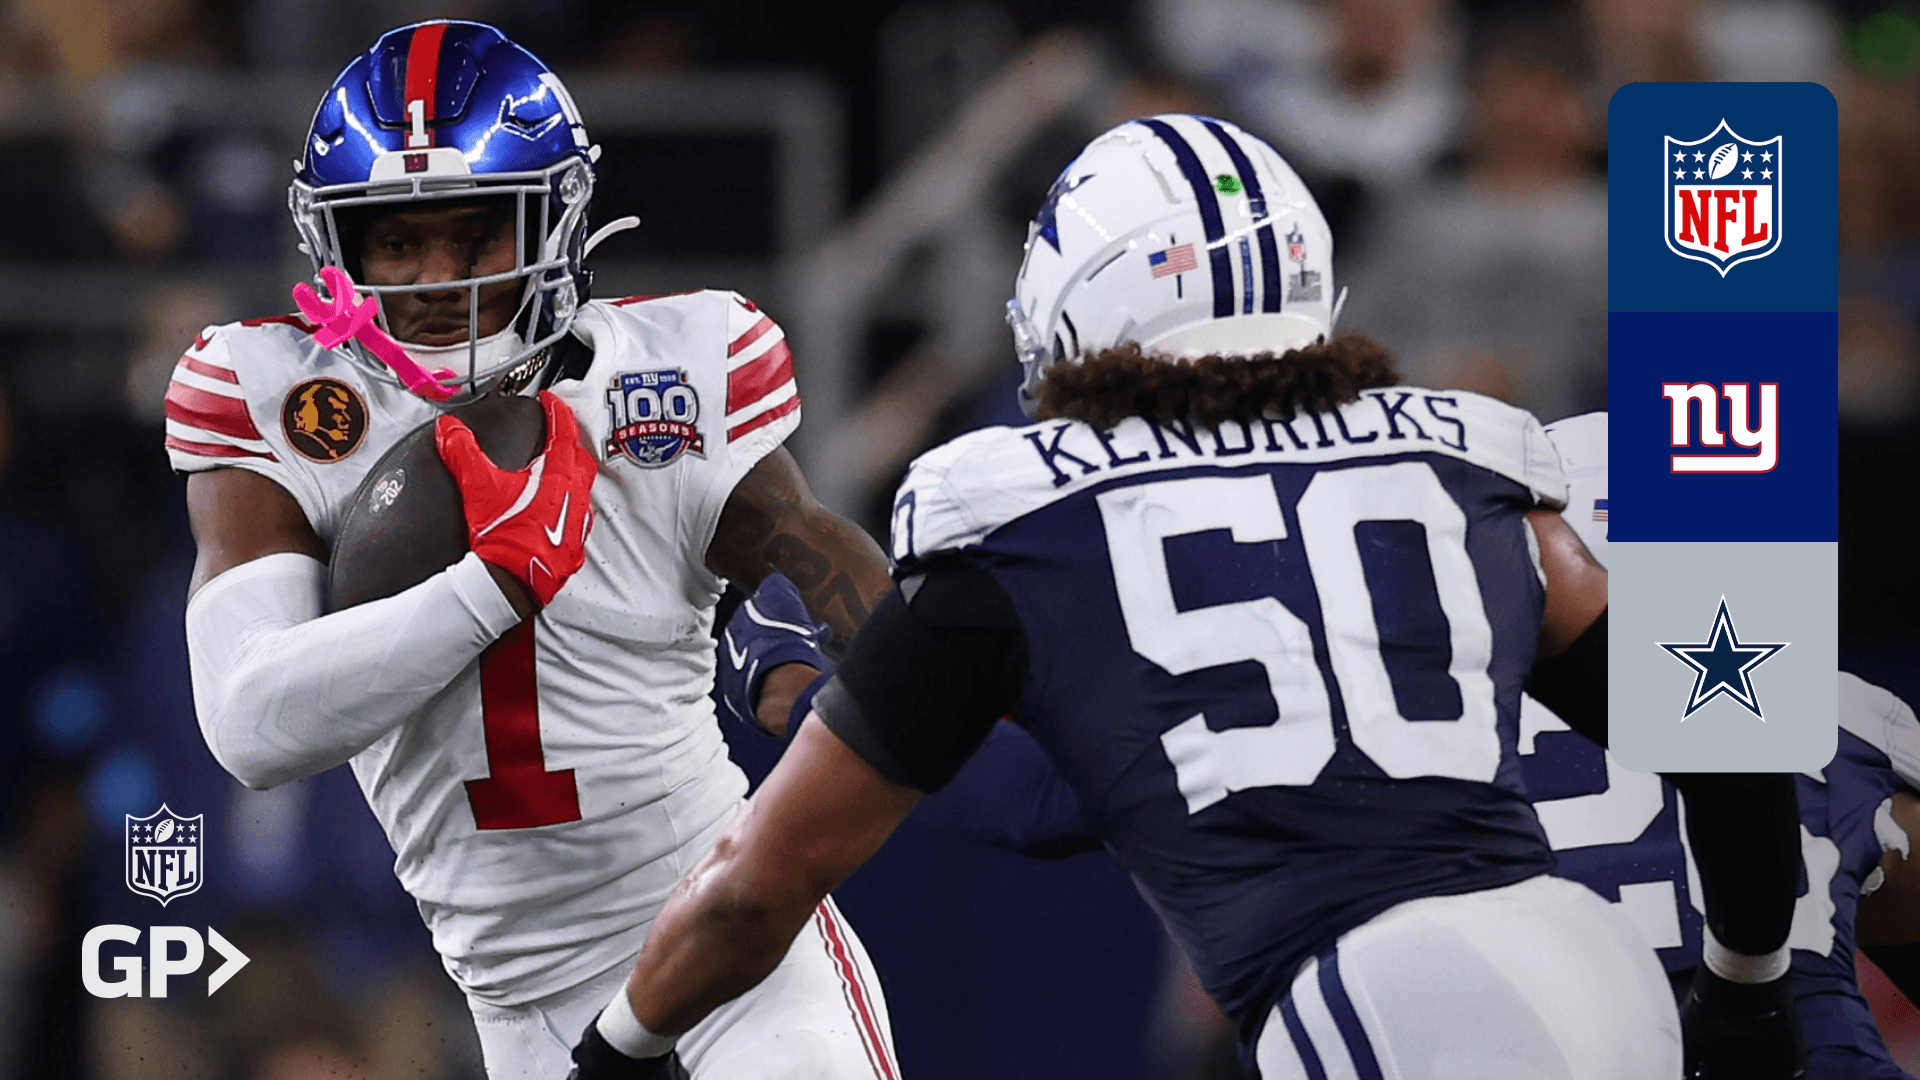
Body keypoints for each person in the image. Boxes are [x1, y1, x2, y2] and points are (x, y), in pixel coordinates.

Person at [569, 114, 1807, 1079]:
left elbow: (762, 884)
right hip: (1590, 963)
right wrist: (1748, 984)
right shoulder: (1465, 465)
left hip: (1377, 997)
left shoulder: (1024, 514)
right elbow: (1729, 739)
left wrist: (615, 1050)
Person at [165, 21, 900, 1080]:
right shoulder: (279, 396)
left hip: (727, 938)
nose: (437, 279)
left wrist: (864, 663)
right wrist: (496, 584)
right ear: (338, 245)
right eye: (398, 242)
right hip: (516, 1006)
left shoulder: (671, 371)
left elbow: (804, 559)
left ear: (554, 222)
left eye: (474, 239)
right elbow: (250, 723)